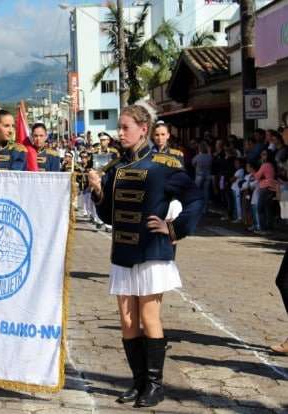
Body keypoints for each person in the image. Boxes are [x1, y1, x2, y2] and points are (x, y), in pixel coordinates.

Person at [87, 104, 203, 408]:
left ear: (143, 129)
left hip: (152, 251)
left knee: (149, 317)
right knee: (127, 321)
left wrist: (174, 228)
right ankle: (138, 382)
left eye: (125, 127)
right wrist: (99, 191)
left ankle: (155, 385)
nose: (119, 133)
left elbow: (195, 199)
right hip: (123, 251)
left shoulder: (164, 164)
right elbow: (109, 215)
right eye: (119, 128)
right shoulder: (115, 167)